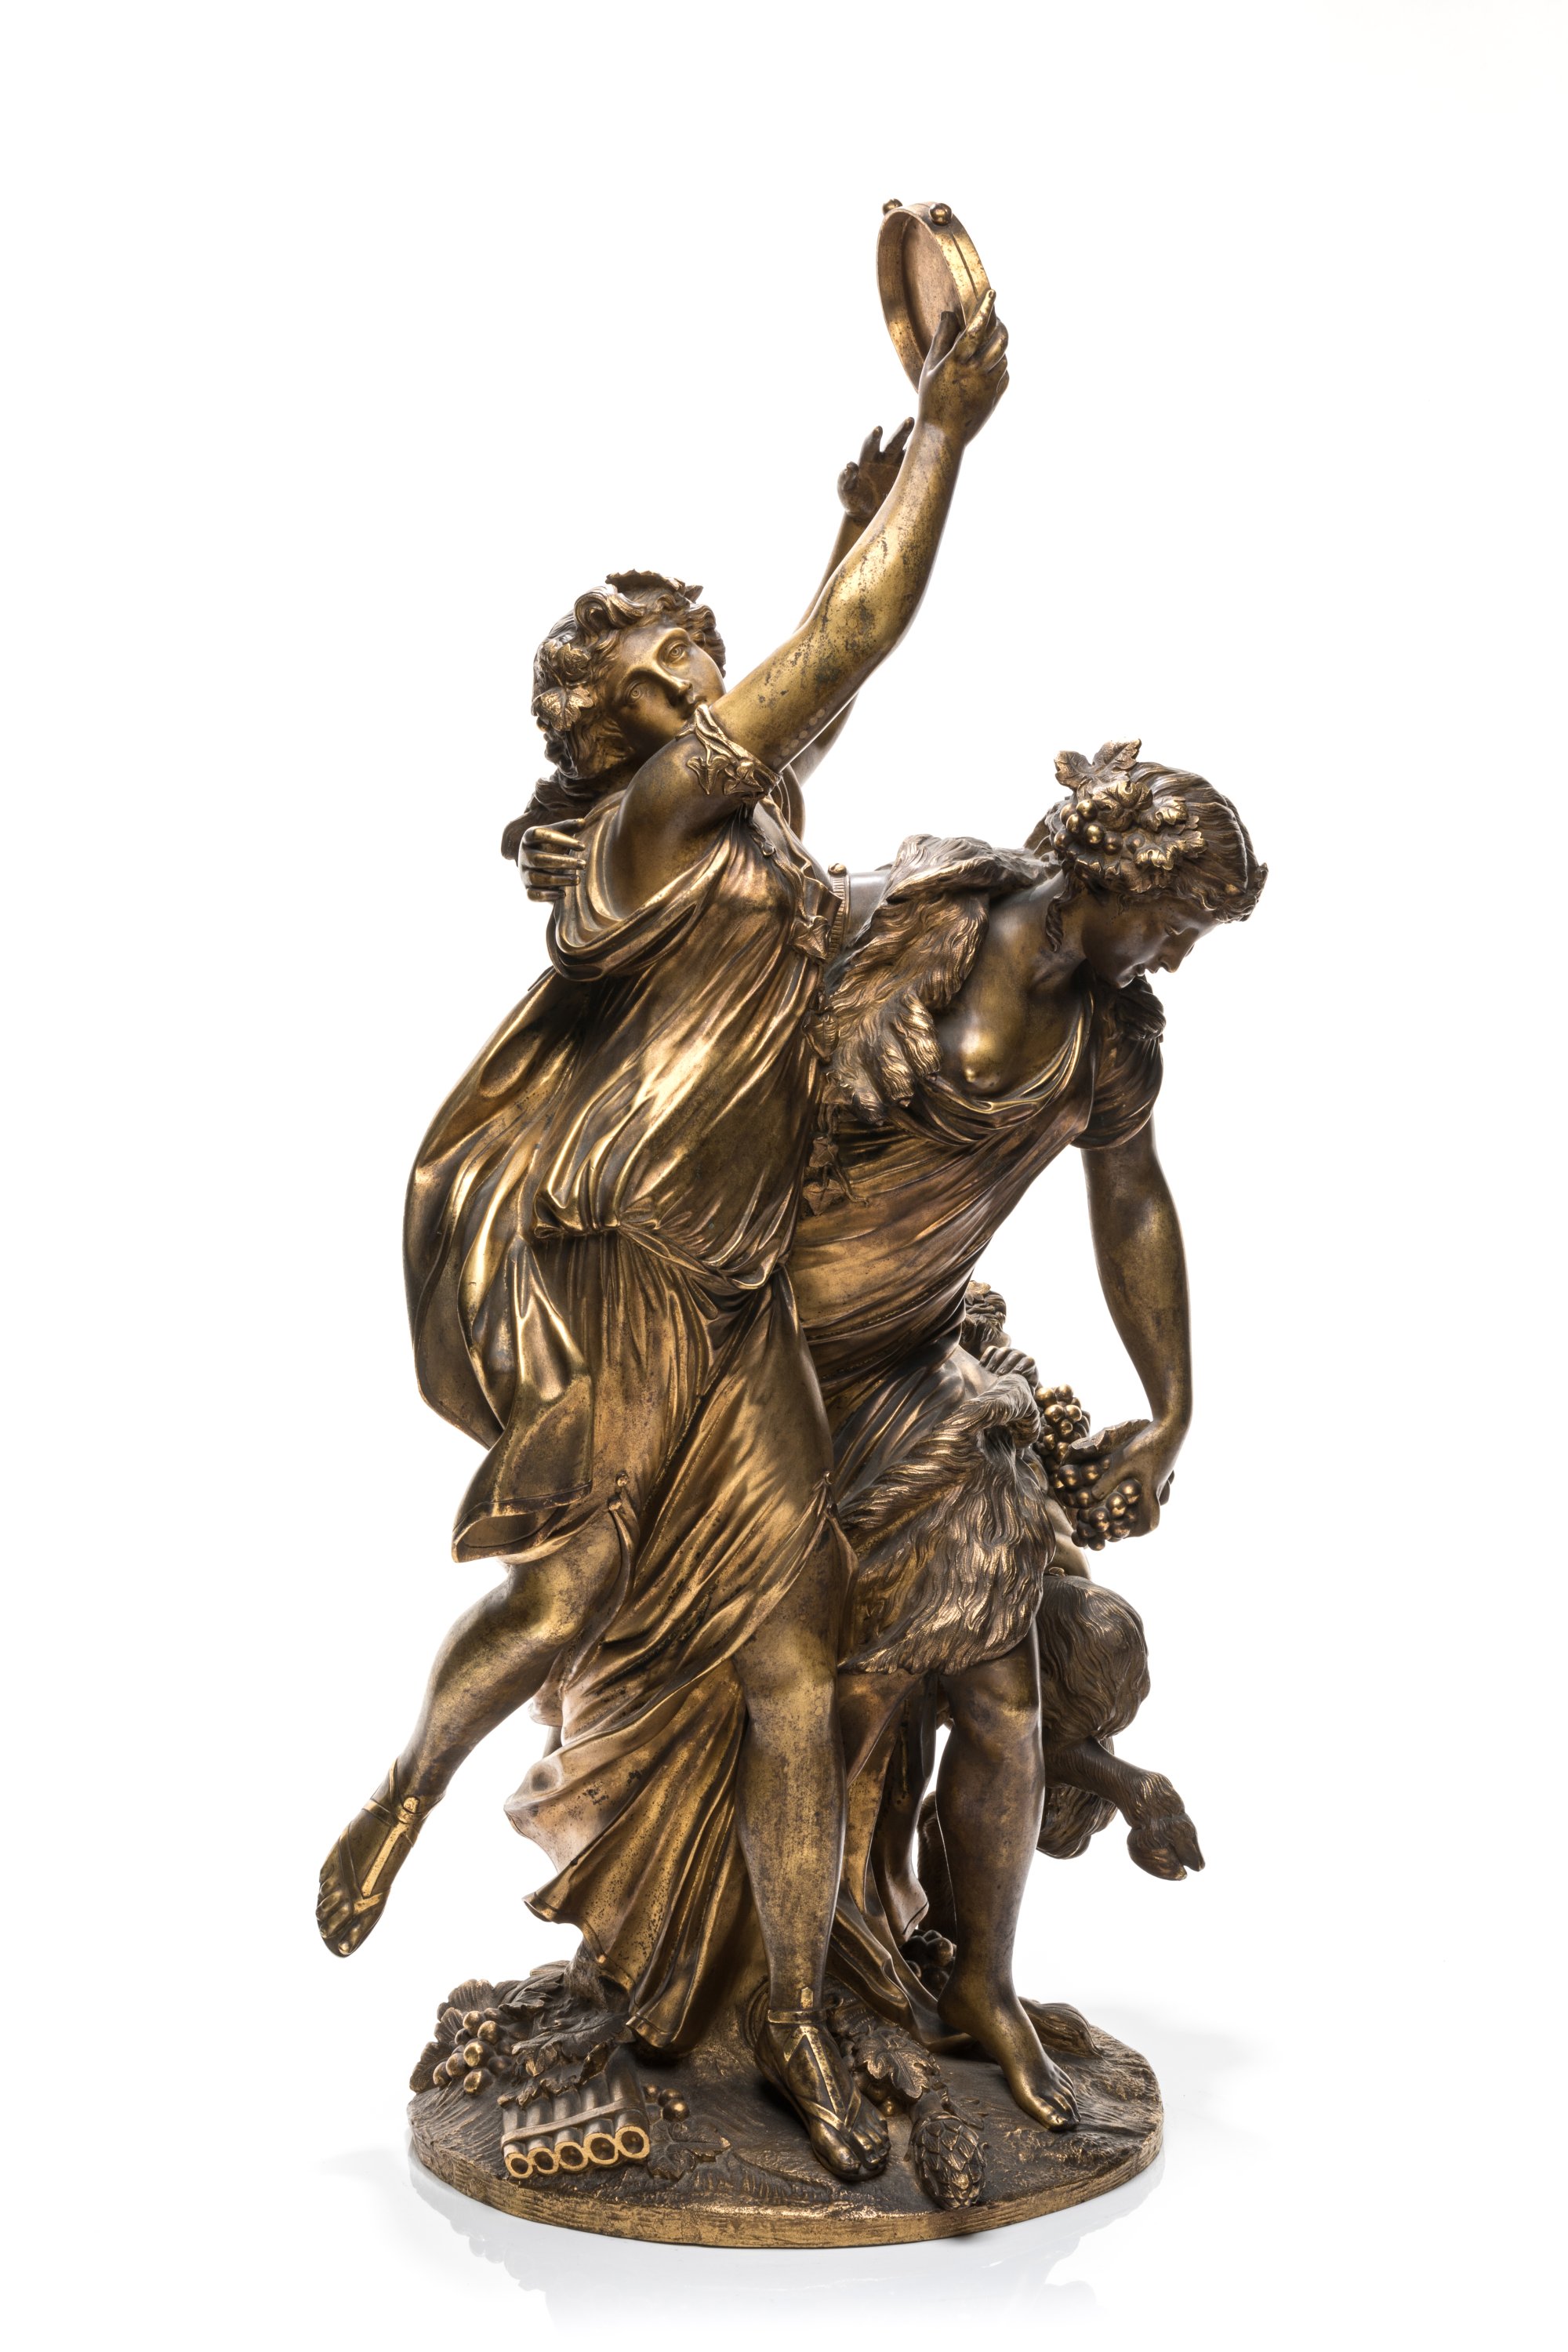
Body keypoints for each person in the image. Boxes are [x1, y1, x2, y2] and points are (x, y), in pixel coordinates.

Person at [318, 296, 1010, 2181]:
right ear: (617, 708)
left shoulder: (743, 814)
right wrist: (947, 439)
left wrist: (858, 513)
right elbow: (846, 646)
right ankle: (403, 1794)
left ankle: (786, 2008)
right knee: (569, 1597)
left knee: (794, 1662)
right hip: (629, 1266)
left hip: (738, 1287)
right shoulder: (652, 819)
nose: (709, 660)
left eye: (707, 641)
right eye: (672, 651)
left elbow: (823, 680)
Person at [780, 739, 1265, 2128]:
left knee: (1003, 1697)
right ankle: (798, 1991)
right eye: (1173, 922)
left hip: (920, 1374)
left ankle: (979, 1984)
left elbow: (1132, 1201)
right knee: (837, 1706)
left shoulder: (1107, 1034)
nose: (1175, 956)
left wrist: (1172, 1407)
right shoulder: (907, 923)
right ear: (1106, 874)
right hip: (772, 1370)